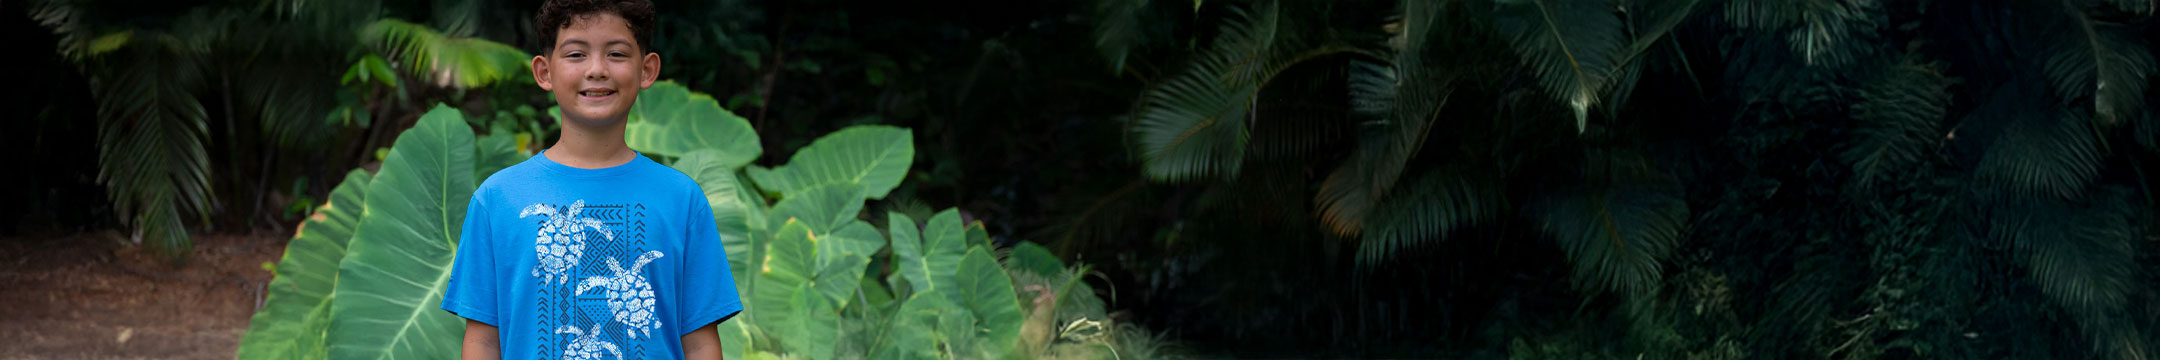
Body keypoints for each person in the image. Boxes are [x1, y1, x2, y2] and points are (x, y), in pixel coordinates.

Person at [441, 0, 740, 359]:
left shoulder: (681, 198)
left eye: (616, 54)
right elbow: (484, 341)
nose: (597, 69)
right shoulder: (498, 198)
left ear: (647, 70)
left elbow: (701, 342)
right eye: (576, 54)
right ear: (544, 72)